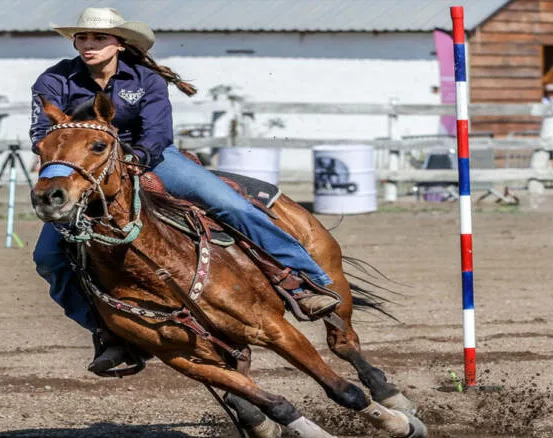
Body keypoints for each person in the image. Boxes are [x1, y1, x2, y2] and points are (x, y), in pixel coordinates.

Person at [30, 7, 339, 374]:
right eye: (82, 37)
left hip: (152, 158)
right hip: (88, 170)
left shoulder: (144, 79)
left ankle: (304, 281)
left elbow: (158, 135)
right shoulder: (54, 80)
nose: (88, 44)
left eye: (99, 37)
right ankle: (108, 331)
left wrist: (135, 158)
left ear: (120, 43)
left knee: (230, 204)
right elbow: (41, 133)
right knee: (49, 257)